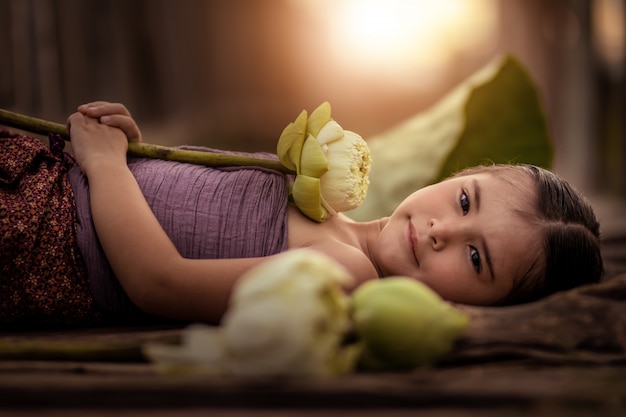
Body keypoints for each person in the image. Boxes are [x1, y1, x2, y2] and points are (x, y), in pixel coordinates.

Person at [0, 102, 603, 328]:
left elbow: (157, 280)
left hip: (45, 238)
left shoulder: (343, 277)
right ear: (460, 175)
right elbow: (199, 202)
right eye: (465, 200)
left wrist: (107, 171)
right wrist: (132, 154)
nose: (444, 228)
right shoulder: (333, 205)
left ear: (481, 309)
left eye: (477, 259)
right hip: (53, 177)